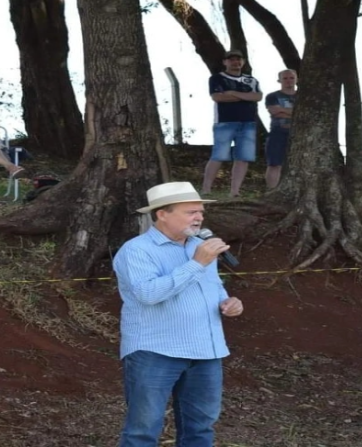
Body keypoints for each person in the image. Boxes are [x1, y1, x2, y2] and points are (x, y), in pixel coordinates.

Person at [113, 181, 244, 447]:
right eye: (190, 212)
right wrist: (197, 263)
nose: (199, 218)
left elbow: (214, 290)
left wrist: (230, 303)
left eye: (201, 212)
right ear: (162, 213)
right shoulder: (137, 250)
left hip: (206, 352)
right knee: (143, 431)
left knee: (200, 429)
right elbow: (148, 294)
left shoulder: (200, 246)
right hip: (155, 351)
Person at [202, 50, 262, 197]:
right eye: (232, 60)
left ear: (243, 61)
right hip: (225, 122)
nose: (236, 62)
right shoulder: (217, 78)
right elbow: (218, 97)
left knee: (243, 157)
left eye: (238, 59)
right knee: (219, 155)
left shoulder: (251, 80)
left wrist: (233, 93)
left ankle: (235, 191)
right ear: (225, 62)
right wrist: (245, 97)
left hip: (248, 122)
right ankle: (206, 189)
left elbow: (257, 96)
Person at [264, 69, 297, 189]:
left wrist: (284, 111)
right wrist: (296, 114)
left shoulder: (303, 96)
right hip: (278, 133)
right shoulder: (273, 96)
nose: (289, 81)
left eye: (291, 78)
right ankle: (271, 191)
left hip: (299, 135)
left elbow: (307, 115)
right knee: (274, 164)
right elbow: (275, 112)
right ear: (279, 80)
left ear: (296, 79)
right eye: (285, 78)